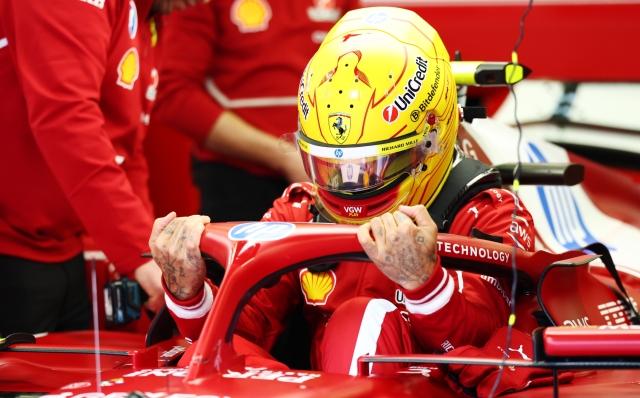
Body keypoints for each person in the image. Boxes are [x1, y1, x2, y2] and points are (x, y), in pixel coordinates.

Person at [149, 7, 535, 376]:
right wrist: (189, 293)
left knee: (360, 319)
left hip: (432, 386)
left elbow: (487, 350)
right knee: (206, 356)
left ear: (429, 143)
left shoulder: (490, 213)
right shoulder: (300, 208)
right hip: (328, 384)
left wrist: (425, 284)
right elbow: (238, 330)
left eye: (371, 166)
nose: (350, 184)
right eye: (333, 167)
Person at [0, 0, 207, 337]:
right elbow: (67, 121)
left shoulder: (146, 14)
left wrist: (147, 247)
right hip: (11, 249)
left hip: (59, 250)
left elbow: (126, 147)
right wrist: (140, 256)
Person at [152, 0, 359, 222]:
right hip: (238, 182)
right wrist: (283, 158)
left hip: (332, 175)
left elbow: (366, 65)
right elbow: (174, 95)